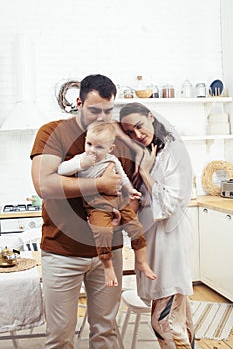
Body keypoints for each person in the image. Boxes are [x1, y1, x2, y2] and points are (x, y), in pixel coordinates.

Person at [30, 74, 137, 349]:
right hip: (61, 252)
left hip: (108, 252)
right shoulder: (52, 133)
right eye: (94, 110)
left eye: (108, 110)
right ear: (78, 102)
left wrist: (122, 209)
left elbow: (129, 190)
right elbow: (44, 183)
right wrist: (99, 183)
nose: (102, 117)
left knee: (106, 332)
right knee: (60, 338)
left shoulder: (116, 139)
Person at [118, 102, 195, 349]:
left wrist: (146, 172)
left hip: (169, 243)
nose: (137, 135)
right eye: (129, 132)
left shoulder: (172, 153)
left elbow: (171, 203)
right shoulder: (149, 151)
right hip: (154, 243)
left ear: (151, 117)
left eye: (139, 127)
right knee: (179, 316)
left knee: (164, 322)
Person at [57, 120, 157, 287]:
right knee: (103, 232)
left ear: (110, 148)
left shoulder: (113, 160)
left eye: (99, 147)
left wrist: (130, 190)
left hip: (118, 200)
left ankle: (141, 261)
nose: (92, 150)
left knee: (136, 227)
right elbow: (61, 170)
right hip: (96, 205)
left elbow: (123, 176)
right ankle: (107, 265)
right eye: (89, 144)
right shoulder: (81, 159)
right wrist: (80, 164)